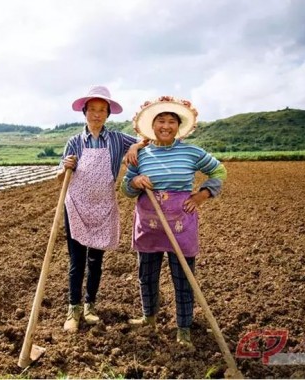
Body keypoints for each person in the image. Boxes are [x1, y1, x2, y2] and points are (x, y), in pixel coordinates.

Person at [121, 95, 227, 349]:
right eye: (161, 121)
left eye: (171, 121)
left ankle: (184, 328)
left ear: (178, 127)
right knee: (147, 276)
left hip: (181, 224)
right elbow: (127, 189)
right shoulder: (141, 154)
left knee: (183, 277)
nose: (166, 126)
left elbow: (219, 171)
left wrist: (202, 195)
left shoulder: (191, 152)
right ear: (152, 125)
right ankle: (149, 318)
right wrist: (134, 182)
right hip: (149, 224)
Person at [57, 85, 148, 333]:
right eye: (93, 109)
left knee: (96, 260)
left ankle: (90, 306)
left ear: (108, 114)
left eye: (102, 110)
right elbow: (58, 174)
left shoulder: (117, 139)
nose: (97, 114)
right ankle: (73, 310)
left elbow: (148, 141)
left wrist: (134, 148)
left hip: (103, 205)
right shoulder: (74, 141)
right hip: (76, 205)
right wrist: (65, 166)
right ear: (85, 112)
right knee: (76, 260)